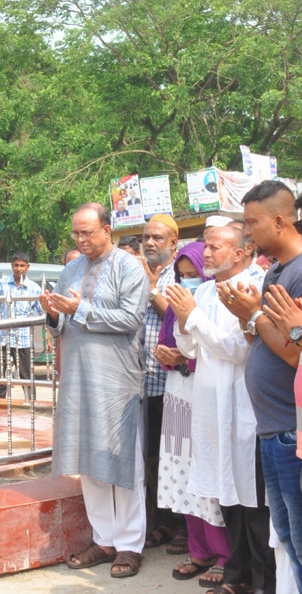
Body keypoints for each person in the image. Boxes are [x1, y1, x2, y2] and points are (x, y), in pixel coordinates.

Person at [41, 203, 149, 579]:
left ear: (107, 230)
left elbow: (131, 318)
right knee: (89, 459)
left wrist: (80, 308)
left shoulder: (128, 267)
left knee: (123, 461)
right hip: (77, 376)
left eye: (87, 232)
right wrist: (54, 314)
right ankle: (104, 539)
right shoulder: (70, 268)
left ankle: (131, 544)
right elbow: (59, 324)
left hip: (116, 380)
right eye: (76, 234)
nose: (80, 240)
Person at [168, 221, 274, 594]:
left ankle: (263, 582)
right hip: (211, 407)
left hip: (243, 408)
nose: (207, 254)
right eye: (206, 247)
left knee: (254, 504)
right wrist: (185, 319)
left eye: (215, 247)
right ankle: (237, 575)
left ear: (240, 252)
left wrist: (193, 317)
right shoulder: (209, 290)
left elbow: (238, 349)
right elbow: (192, 349)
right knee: (226, 496)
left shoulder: (254, 287)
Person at [216, 180, 302, 591]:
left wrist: (254, 317)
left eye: (252, 222)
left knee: (298, 540)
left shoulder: (301, 272)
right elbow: (264, 340)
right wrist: (244, 315)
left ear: (281, 221)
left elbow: (294, 352)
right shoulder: (274, 271)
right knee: (283, 537)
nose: (247, 232)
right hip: (270, 428)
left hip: (291, 428)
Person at [153, 240, 234, 584]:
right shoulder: (181, 305)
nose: (186, 282)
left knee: (208, 477)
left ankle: (224, 554)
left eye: (192, 275)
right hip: (178, 394)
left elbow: (219, 349)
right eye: (181, 275)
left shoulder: (216, 299)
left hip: (204, 395)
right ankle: (199, 550)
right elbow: (183, 340)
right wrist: (175, 356)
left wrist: (184, 360)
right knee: (183, 474)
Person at [139, 212, 183, 549]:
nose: (150, 243)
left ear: (174, 243)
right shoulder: (135, 272)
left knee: (176, 456)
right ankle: (162, 522)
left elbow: (174, 316)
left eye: (158, 238)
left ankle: (180, 526)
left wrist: (151, 287)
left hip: (173, 383)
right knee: (152, 457)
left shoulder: (180, 274)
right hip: (141, 382)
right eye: (146, 238)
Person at [0, 253, 42, 399]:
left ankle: (30, 404)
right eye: (16, 265)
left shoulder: (34, 288)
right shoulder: (3, 284)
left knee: (26, 375)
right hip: (3, 337)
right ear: (12, 266)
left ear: (27, 267)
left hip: (23, 338)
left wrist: (48, 339)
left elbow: (44, 313)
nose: (19, 269)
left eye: (22, 266)